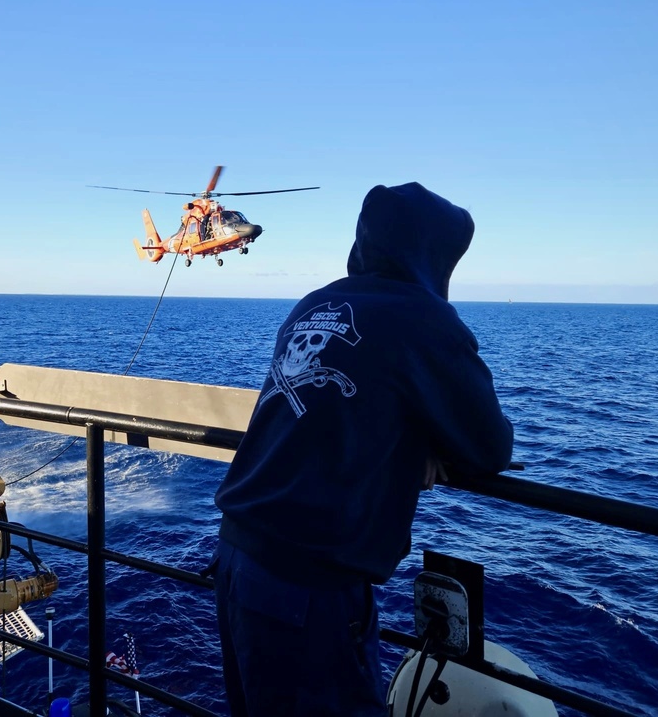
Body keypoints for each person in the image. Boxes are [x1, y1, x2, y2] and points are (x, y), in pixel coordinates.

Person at [211, 181, 515, 716]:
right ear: (434, 256)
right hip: (306, 587)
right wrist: (425, 447)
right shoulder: (425, 319)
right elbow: (490, 447)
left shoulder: (315, 303)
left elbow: (338, 411)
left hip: (238, 558)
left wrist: (405, 442)